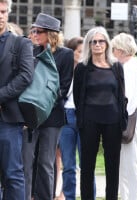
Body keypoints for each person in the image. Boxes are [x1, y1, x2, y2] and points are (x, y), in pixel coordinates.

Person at [22, 13, 74, 200]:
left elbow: (64, 86)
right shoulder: (30, 51)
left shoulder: (65, 55)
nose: (34, 34)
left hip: (52, 116)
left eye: (39, 31)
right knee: (26, 161)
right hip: (29, 114)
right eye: (33, 30)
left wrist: (41, 100)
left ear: (51, 34)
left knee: (45, 161)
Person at [73, 26, 126, 200]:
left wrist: (122, 118)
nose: (97, 44)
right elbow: (77, 96)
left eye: (101, 41)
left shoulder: (116, 67)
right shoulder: (82, 68)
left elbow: (121, 94)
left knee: (113, 165)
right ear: (89, 45)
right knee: (87, 166)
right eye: (93, 41)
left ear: (106, 44)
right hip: (89, 121)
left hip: (113, 121)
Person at [0, 0, 34, 199]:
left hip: (8, 120)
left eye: (4, 11)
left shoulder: (21, 43)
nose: (0, 15)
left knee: (13, 174)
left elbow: (25, 76)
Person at [111, 33, 137, 200]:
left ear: (119, 50)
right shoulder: (131, 66)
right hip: (134, 120)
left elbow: (129, 100)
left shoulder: (129, 68)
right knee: (125, 165)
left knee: (130, 165)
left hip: (130, 122)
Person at [58, 37, 83, 200]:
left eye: (83, 52)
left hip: (84, 117)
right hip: (66, 115)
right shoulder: (65, 68)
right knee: (68, 164)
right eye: (78, 51)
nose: (81, 55)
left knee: (87, 164)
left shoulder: (89, 68)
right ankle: (69, 197)